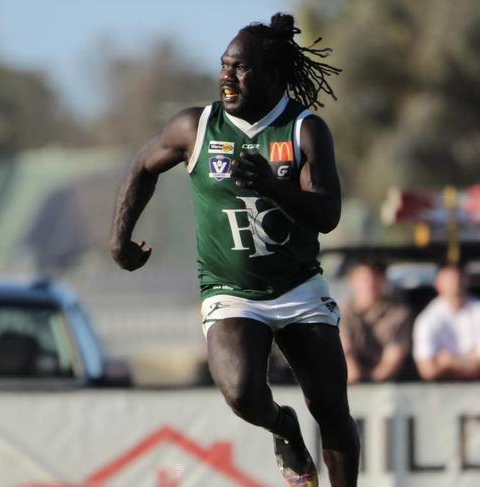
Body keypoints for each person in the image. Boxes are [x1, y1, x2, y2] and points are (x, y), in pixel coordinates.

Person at [110, 13, 359, 487]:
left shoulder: (304, 130)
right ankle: (283, 427)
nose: (226, 76)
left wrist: (273, 186)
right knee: (242, 392)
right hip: (232, 289)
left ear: (272, 75)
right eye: (224, 65)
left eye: (240, 68)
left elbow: (327, 213)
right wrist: (118, 239)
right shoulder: (196, 126)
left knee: (331, 407)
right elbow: (143, 167)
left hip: (299, 286)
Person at [412, 261, 480, 381]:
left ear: (467, 281)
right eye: (449, 279)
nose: (455, 283)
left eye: (459, 278)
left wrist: (448, 362)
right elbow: (427, 370)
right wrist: (471, 362)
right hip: (443, 391)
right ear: (438, 283)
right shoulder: (427, 319)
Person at [340, 260, 413, 383]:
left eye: (375, 278)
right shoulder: (341, 312)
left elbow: (394, 356)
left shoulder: (399, 313)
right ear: (352, 280)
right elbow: (345, 352)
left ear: (383, 280)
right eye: (364, 279)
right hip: (351, 382)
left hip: (390, 383)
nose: (369, 284)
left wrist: (372, 384)